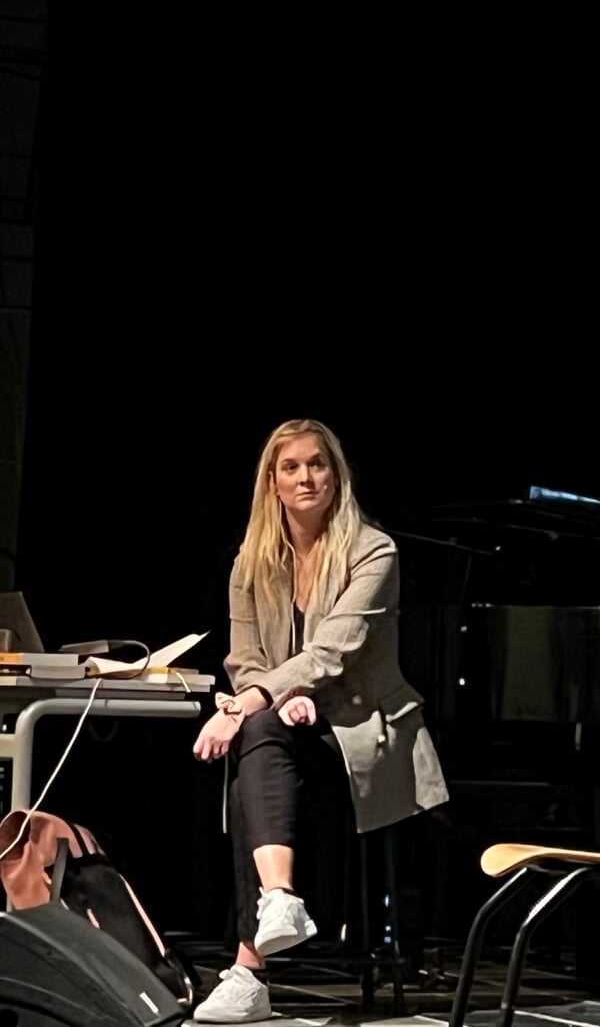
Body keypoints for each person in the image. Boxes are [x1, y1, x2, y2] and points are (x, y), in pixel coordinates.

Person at [190, 418, 450, 1023]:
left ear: (336, 474)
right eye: (291, 467)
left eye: (317, 464)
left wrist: (251, 703)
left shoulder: (374, 550)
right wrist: (271, 701)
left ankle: (250, 965)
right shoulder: (250, 563)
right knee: (256, 735)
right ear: (272, 484)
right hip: (283, 722)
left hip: (363, 726)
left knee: (249, 730)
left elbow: (334, 649)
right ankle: (278, 902)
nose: (306, 477)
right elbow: (246, 658)